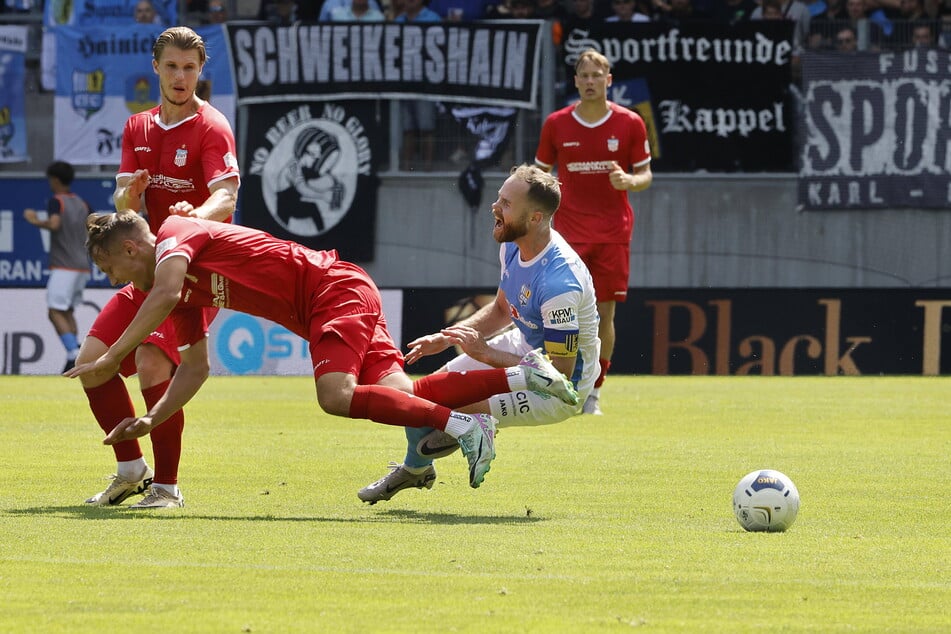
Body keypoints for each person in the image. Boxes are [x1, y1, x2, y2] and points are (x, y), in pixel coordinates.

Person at [66, 214, 580, 494]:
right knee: (403, 393)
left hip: (333, 291)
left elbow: (157, 294)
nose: (114, 282)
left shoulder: (178, 233)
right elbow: (196, 369)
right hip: (336, 298)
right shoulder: (180, 296)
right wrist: (152, 418)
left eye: (110, 269)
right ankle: (522, 373)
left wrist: (113, 357)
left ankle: (467, 426)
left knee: (335, 396)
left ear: (132, 249)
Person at [357, 164, 600, 504]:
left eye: (506, 203)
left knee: (440, 407)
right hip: (522, 347)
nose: (495, 207)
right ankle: (417, 470)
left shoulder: (559, 283)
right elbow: (502, 310)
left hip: (561, 389)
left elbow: (559, 374)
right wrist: (449, 336)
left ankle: (476, 424)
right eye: (499, 198)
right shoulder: (513, 243)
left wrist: (486, 354)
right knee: (419, 397)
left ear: (535, 218)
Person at [74, 26, 240, 510]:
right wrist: (132, 195)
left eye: (190, 67)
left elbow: (226, 196)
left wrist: (195, 216)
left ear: (200, 71)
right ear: (156, 69)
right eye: (172, 66)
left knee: (151, 361)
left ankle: (167, 486)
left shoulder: (212, 126)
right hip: (151, 265)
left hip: (195, 269)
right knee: (92, 364)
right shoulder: (137, 128)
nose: (180, 76)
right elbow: (124, 203)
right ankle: (131, 470)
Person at [534, 48, 652, 416]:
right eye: (583, 75)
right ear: (575, 81)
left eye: (596, 75)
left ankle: (594, 393)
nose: (589, 81)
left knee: (604, 316)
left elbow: (646, 175)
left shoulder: (630, 122)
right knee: (554, 312)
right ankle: (552, 384)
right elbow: (538, 174)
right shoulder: (556, 123)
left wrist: (629, 180)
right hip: (567, 235)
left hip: (612, 233)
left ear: (608, 80)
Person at [22, 161, 93, 373]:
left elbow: (54, 224)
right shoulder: (83, 203)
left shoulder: (56, 201)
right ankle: (76, 355)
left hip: (64, 266)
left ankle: (73, 353)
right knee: (67, 311)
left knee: (54, 311)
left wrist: (34, 220)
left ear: (54, 180)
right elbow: (95, 226)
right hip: (82, 266)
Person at [395, 0, 442, 171]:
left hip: (425, 84)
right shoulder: (398, 21)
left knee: (426, 127)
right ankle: (407, 166)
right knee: (408, 129)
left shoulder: (433, 18)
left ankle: (428, 166)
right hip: (404, 85)